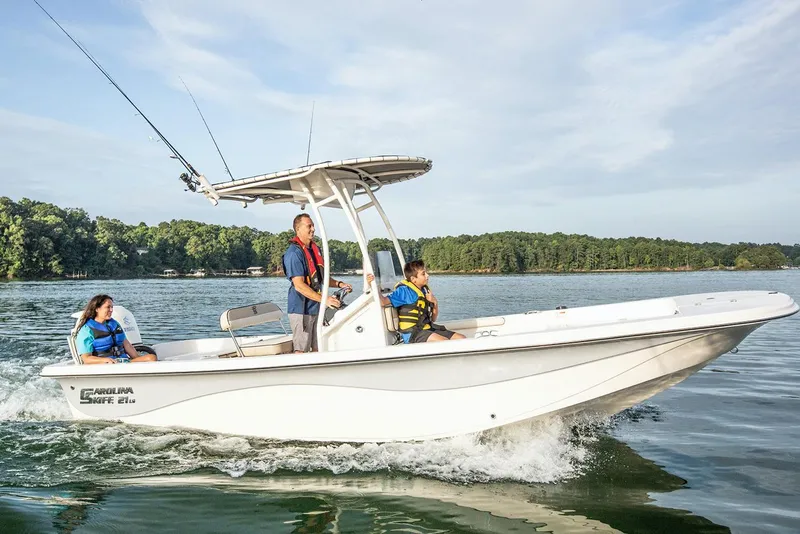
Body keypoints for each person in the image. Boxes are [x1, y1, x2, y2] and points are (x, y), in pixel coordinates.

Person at [282, 213, 352, 353]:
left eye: (313, 225)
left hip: (316, 308)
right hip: (302, 310)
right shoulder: (294, 253)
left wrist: (339, 284)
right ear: (298, 229)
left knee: (318, 347)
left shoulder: (314, 250)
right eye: (309, 226)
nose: (313, 229)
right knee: (301, 350)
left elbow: (321, 278)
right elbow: (299, 285)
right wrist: (325, 299)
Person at [377, 259, 465, 343]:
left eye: (426, 272)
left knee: (461, 338)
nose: (427, 275)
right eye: (423, 274)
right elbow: (382, 302)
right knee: (445, 342)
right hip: (413, 334)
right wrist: (373, 286)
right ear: (413, 279)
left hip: (427, 328)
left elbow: (433, 319)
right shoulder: (404, 291)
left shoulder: (425, 291)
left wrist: (435, 302)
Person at [75, 294, 157, 364]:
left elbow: (127, 345)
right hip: (105, 365)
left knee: (151, 358)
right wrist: (105, 360)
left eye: (112, 307)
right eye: (108, 307)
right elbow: (86, 358)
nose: (111, 310)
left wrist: (138, 359)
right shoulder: (86, 330)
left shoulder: (114, 324)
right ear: (97, 309)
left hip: (123, 362)